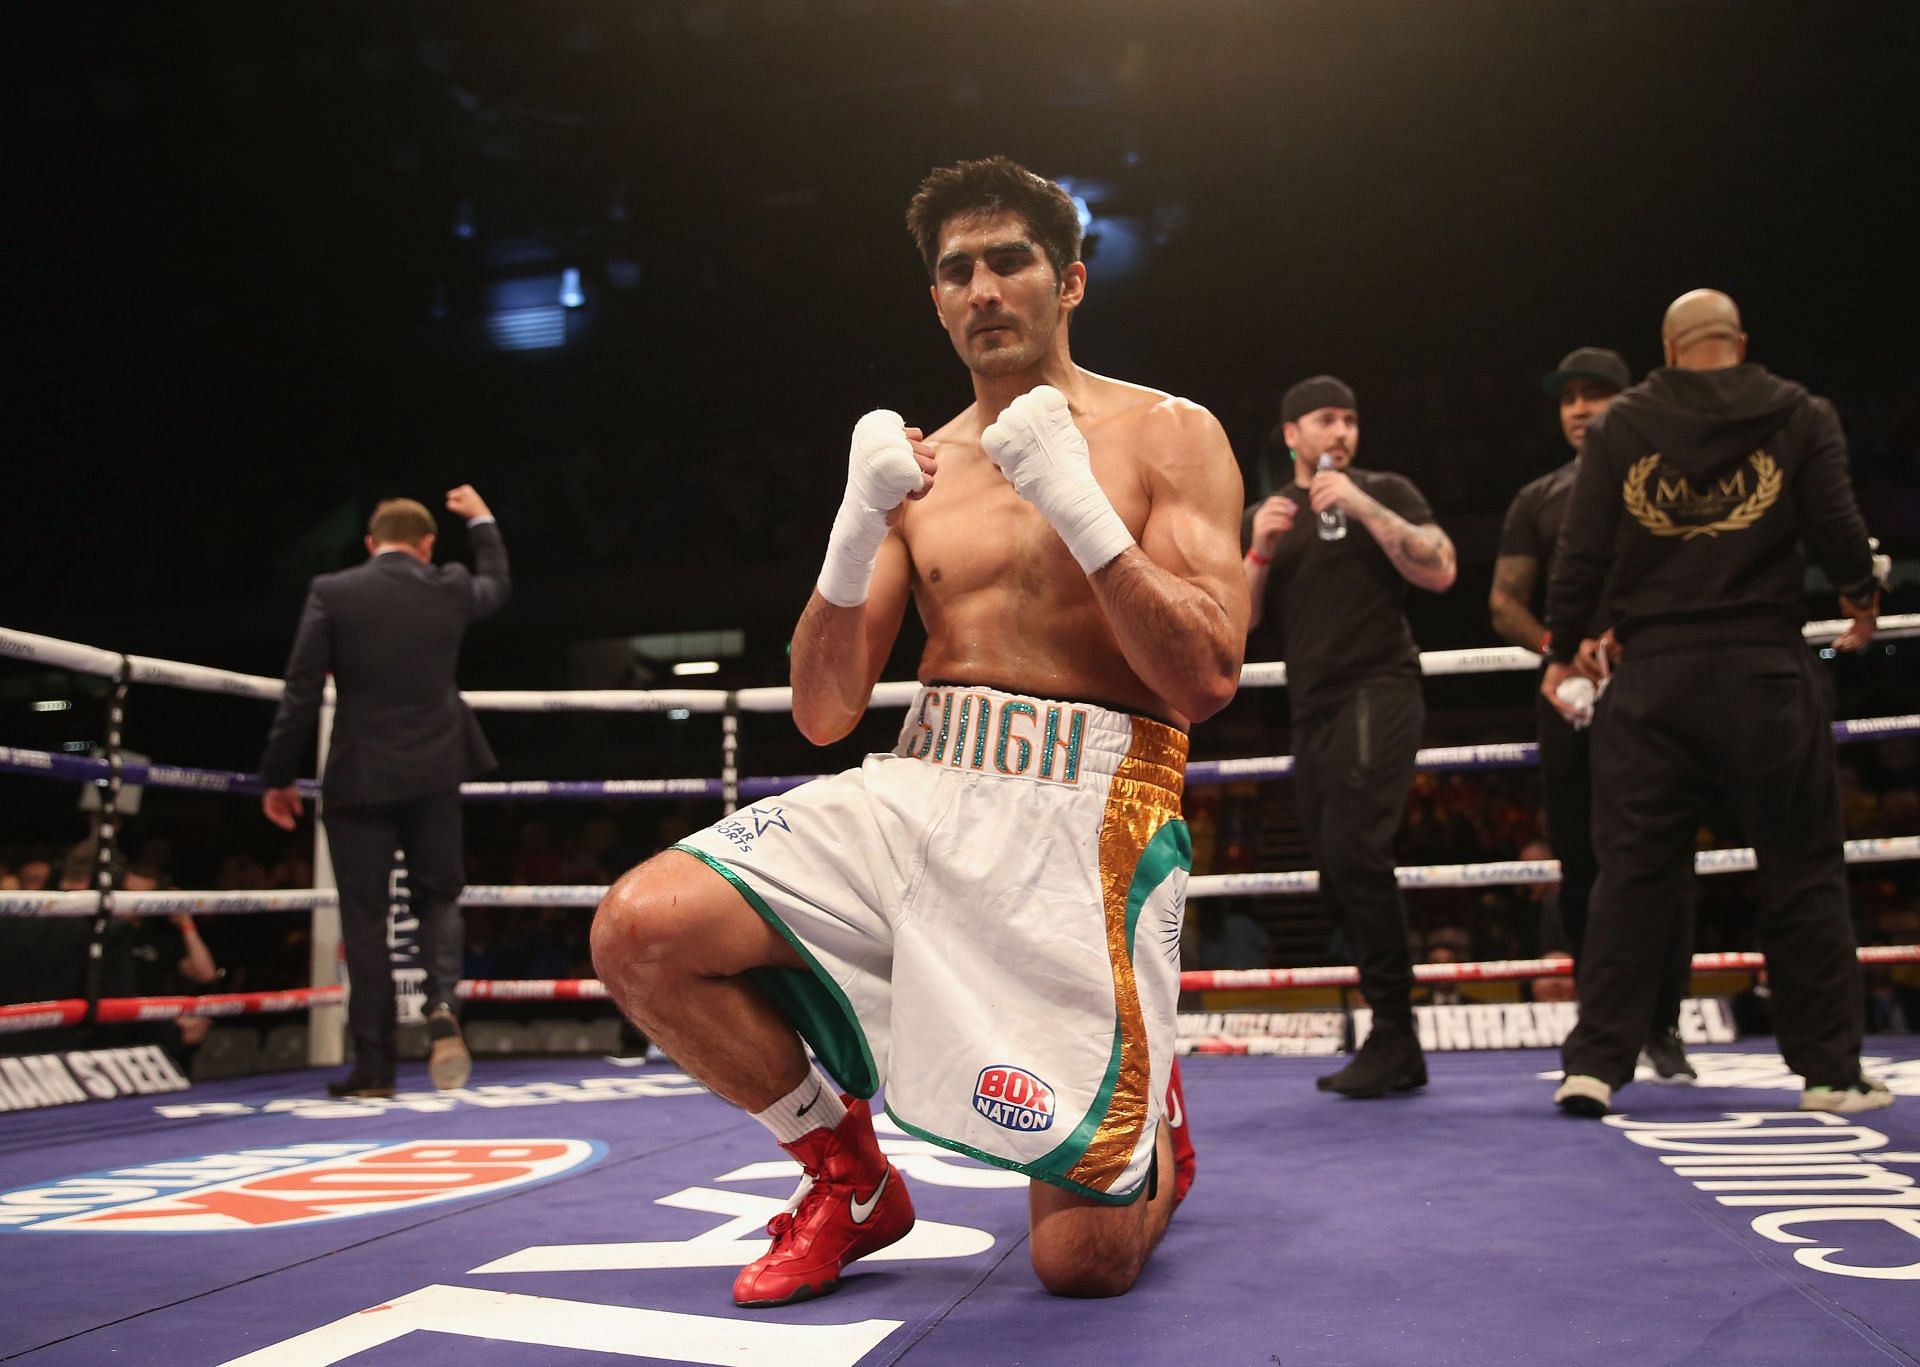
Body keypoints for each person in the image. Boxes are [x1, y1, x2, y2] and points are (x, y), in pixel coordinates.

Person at [591, 156, 1248, 1307]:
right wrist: (856, 526)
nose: (985, 287)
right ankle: (847, 1178)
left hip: (1092, 809)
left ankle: (1151, 1122)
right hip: (926, 777)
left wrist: (1077, 503)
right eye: (958, 271)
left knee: (1079, 1265)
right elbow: (824, 711)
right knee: (640, 928)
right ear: (936, 301)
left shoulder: (1169, 432)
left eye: (1011, 261)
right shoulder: (915, 465)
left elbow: (1204, 677)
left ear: (1071, 281)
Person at [1545, 289, 1891, 1117]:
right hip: (1763, 667)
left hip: (1656, 674)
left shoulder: (1626, 422)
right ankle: (1831, 1075)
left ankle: (1594, 1065)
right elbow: (1840, 530)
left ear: (1668, 349)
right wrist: (1860, 599)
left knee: (1630, 874)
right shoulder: (1798, 411)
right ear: (1740, 341)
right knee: (1802, 869)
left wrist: (1563, 649)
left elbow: (1584, 547)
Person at [1242, 376, 1457, 1097]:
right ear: (1291, 434)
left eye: (1351, 419)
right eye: (1325, 420)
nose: (1341, 431)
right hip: (1312, 707)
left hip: (1381, 686)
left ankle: (1397, 1033)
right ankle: (1392, 1034)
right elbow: (1236, 625)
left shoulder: (1385, 487)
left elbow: (1441, 568)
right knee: (1335, 868)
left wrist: (1361, 504)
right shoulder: (1269, 513)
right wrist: (1259, 549)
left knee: (1355, 847)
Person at [259, 487, 509, 1098]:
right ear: (427, 546)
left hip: (359, 776)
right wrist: (479, 519)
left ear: (371, 545)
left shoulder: (334, 591)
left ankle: (374, 1069)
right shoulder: (447, 585)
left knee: (365, 919)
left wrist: (277, 775)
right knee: (440, 897)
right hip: (434, 772)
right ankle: (442, 1004)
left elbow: (300, 691)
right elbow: (496, 584)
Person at [1492, 346, 1698, 1083]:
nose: (1580, 408)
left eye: (1596, 394)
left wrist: (1629, 639)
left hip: (1654, 688)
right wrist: (1563, 647)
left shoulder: (1665, 483)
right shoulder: (1540, 496)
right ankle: (1602, 1015)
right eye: (1570, 396)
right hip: (1568, 693)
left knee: (1663, 857)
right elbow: (1503, 602)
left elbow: (1690, 575)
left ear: (1628, 400)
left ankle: (1664, 1023)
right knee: (1580, 859)